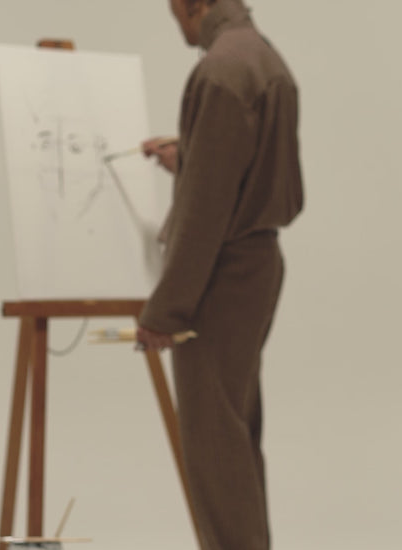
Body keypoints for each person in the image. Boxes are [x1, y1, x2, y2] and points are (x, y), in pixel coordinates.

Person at [137, 1, 304, 549]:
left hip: (222, 277)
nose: (175, 21)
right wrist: (188, 156)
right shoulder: (262, 58)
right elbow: (241, 168)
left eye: (175, 11)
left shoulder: (219, 71)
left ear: (196, 4)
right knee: (233, 437)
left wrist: (166, 311)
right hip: (256, 265)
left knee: (214, 447)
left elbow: (205, 213)